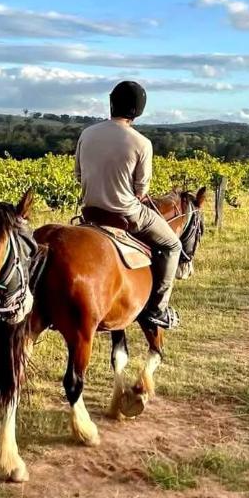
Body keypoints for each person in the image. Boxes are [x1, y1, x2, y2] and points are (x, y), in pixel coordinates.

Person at [74, 80, 181, 330]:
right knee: (172, 245)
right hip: (127, 213)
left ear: (111, 103)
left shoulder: (87, 134)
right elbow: (141, 191)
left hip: (89, 211)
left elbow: (78, 175)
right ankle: (158, 309)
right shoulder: (142, 143)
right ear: (138, 110)